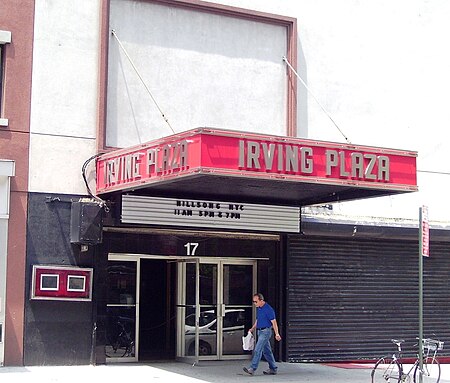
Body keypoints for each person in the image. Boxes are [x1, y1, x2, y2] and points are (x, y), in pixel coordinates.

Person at [243, 293, 282, 376]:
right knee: (267, 351)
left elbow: (274, 322)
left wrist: (277, 333)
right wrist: (253, 328)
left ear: (261, 300)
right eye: (253, 302)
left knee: (258, 349)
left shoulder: (268, 309)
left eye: (255, 302)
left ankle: (252, 368)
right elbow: (258, 320)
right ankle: (273, 368)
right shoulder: (259, 308)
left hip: (265, 331)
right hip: (260, 331)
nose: (254, 303)